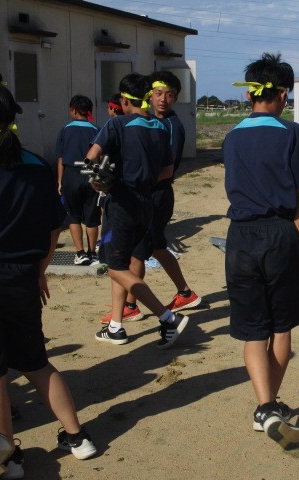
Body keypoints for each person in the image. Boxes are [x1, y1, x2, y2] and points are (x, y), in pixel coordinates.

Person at [0, 84, 96, 479]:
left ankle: (9, 458)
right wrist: (39, 269)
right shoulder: (36, 165)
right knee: (36, 362)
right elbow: (55, 226)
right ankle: (78, 436)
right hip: (23, 278)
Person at [223, 53, 299, 448]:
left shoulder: (232, 136)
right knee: (281, 327)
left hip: (240, 237)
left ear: (250, 94)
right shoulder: (290, 132)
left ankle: (265, 406)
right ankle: (268, 408)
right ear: (282, 95)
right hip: (280, 236)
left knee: (253, 331)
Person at [85, 73, 189, 348]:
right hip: (146, 203)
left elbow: (90, 158)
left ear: (123, 99)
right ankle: (116, 325)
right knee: (122, 262)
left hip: (121, 204)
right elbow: (167, 170)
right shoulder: (160, 127)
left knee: (114, 266)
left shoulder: (117, 123)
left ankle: (168, 317)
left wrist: (98, 181)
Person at [100, 71, 203, 325]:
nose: (162, 99)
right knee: (155, 246)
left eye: (169, 95)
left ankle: (131, 306)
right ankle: (184, 293)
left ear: (176, 98)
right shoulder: (149, 121)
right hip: (147, 193)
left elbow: (167, 168)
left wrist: (135, 180)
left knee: (137, 252)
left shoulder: (169, 126)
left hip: (154, 194)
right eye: (158, 94)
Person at [55, 95, 101, 266]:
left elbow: (61, 158)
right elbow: (101, 156)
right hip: (91, 174)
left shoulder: (65, 130)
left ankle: (80, 253)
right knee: (92, 217)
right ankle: (92, 253)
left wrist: (60, 181)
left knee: (73, 216)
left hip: (71, 175)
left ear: (73, 110)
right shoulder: (97, 129)